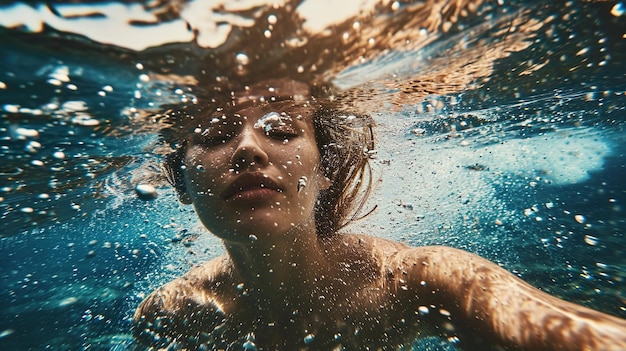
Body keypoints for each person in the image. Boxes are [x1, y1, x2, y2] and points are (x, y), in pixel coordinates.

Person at [133, 78, 626, 350]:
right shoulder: (174, 314)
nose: (247, 151)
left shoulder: (422, 280)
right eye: (215, 137)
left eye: (281, 131)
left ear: (324, 171)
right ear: (182, 184)